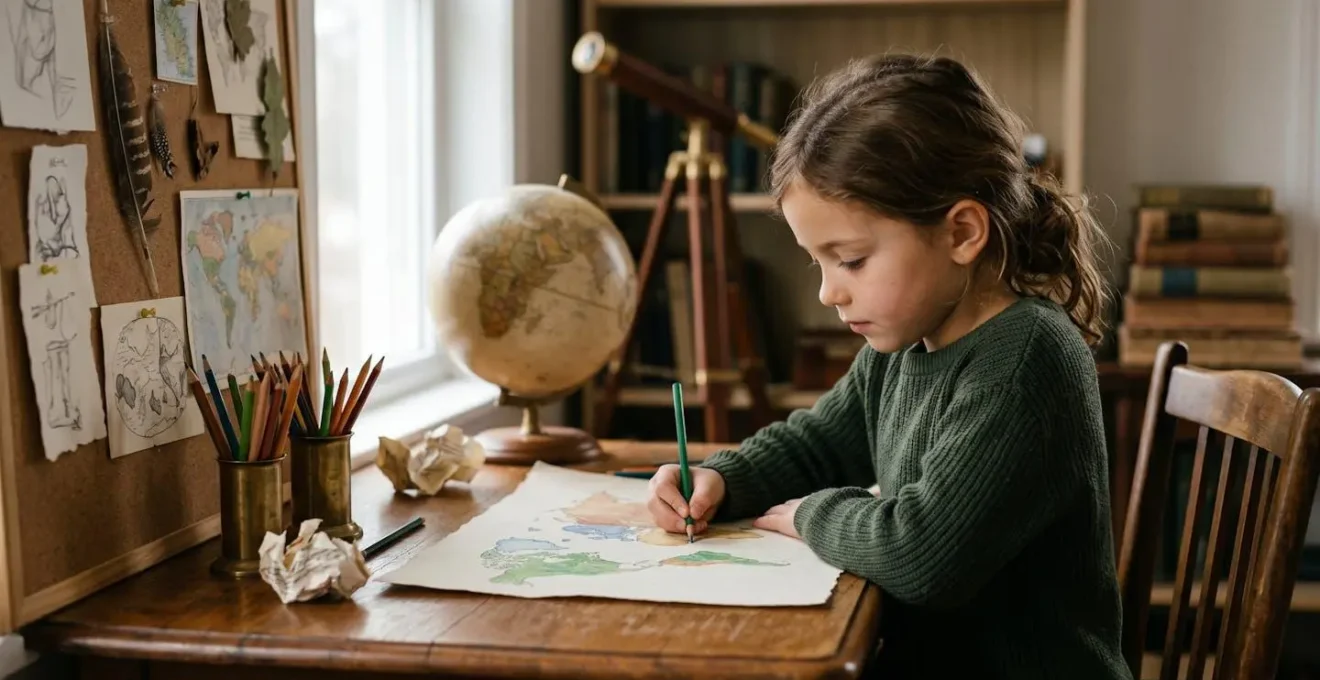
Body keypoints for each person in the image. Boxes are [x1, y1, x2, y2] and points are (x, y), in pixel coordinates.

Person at [646, 53, 1132, 680]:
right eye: (817, 263)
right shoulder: (906, 343)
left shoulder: (1027, 359)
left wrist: (809, 514)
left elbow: (921, 553)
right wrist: (722, 480)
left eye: (849, 260)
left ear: (961, 233)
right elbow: (819, 442)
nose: (828, 292)